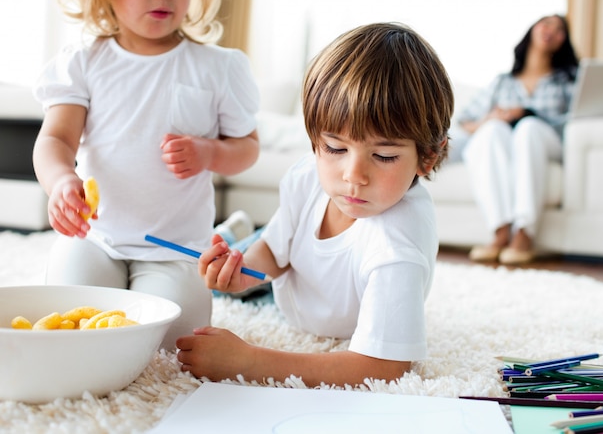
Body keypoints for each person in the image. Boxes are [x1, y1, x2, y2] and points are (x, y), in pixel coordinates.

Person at [176, 22, 454, 386]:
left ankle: (239, 232)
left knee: (248, 293)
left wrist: (248, 361)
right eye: (336, 149)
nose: (353, 175)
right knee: (221, 273)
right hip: (294, 286)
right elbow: (276, 254)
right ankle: (238, 234)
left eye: (384, 155)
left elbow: (386, 368)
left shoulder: (397, 243)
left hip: (307, 299)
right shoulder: (308, 176)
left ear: (428, 157)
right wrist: (240, 274)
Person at [32, 0, 260, 350]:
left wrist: (209, 152)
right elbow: (56, 140)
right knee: (74, 324)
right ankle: (231, 230)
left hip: (175, 248)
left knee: (171, 341)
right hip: (96, 238)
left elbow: (247, 148)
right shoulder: (83, 62)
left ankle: (225, 235)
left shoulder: (218, 67)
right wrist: (61, 180)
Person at [450, 14, 579, 265]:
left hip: (546, 139)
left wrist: (528, 113)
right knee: (491, 131)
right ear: (532, 30)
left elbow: (574, 119)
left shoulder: (567, 80)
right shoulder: (502, 82)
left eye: (560, 29)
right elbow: (465, 120)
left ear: (564, 41)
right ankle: (500, 230)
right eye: (546, 23)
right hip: (505, 140)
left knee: (528, 128)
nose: (551, 30)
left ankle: (524, 232)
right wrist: (490, 119)